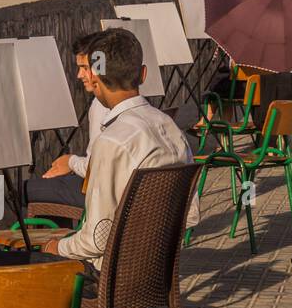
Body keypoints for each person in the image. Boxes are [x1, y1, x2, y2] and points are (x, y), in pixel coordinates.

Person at [37, 28, 194, 271]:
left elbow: (96, 241)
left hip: (108, 276)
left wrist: (56, 247)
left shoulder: (112, 141)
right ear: (143, 74)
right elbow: (191, 215)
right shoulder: (172, 130)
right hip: (156, 271)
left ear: (96, 80)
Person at [25, 32, 107, 215]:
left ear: (101, 67)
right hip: (111, 192)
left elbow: (94, 169)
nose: (79, 75)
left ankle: (53, 241)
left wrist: (70, 162)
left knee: (20, 193)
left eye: (84, 67)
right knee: (54, 182)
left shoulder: (102, 106)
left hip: (99, 195)